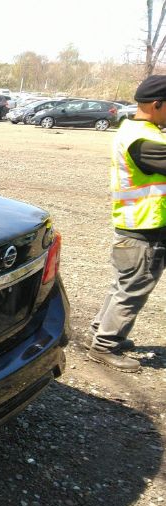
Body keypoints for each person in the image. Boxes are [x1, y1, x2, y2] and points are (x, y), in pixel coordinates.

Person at [89, 75, 166, 372]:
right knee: (133, 287)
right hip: (144, 229)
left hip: (137, 226)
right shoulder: (144, 140)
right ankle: (105, 345)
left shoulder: (138, 131)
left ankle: (100, 332)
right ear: (157, 104)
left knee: (124, 284)